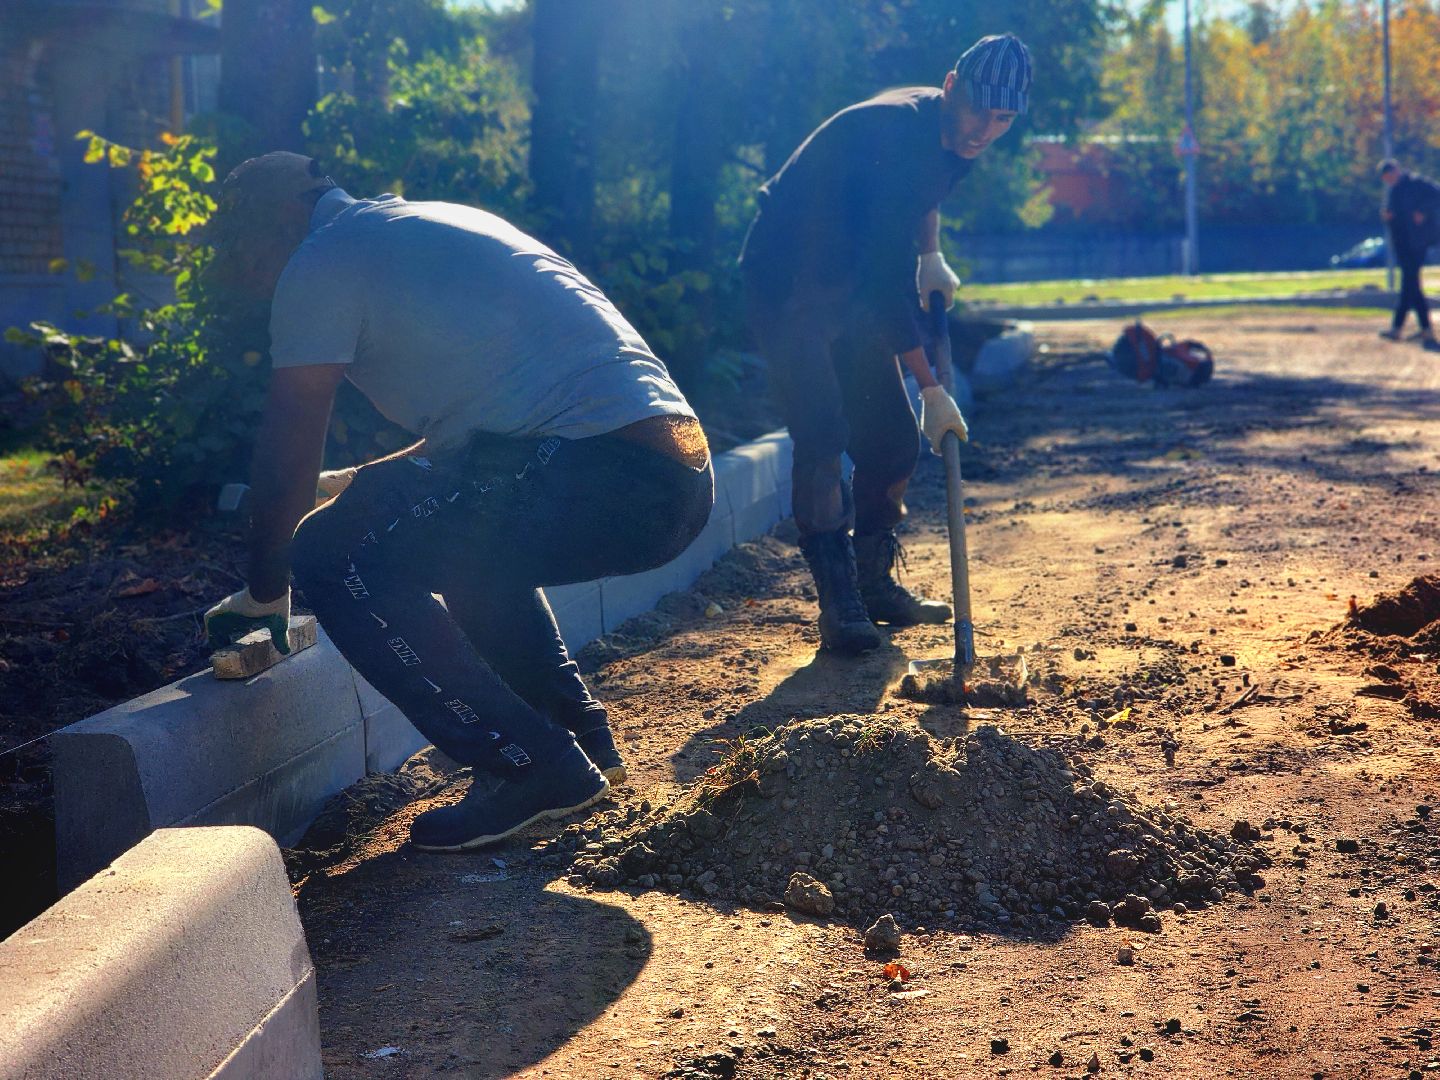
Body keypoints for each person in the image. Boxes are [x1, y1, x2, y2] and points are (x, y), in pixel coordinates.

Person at [202, 153, 713, 851]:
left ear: (285, 217)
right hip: (671, 479)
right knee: (455, 530)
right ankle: (576, 736)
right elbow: (487, 433)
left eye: (248, 246)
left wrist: (267, 594)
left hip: (600, 474)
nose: (252, 272)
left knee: (330, 551)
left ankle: (530, 765)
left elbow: (290, 438)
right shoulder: (427, 222)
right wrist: (360, 480)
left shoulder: (320, 259)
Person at [738, 34, 1032, 654]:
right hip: (788, 281)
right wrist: (931, 386)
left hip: (848, 280)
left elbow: (926, 199)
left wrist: (932, 252)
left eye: (1002, 119)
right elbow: (884, 289)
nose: (985, 129)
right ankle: (840, 601)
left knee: (893, 441)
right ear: (952, 86)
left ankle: (873, 583)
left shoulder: (954, 134)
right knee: (823, 432)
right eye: (979, 109)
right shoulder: (899, 137)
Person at [1379, 159, 1440, 350]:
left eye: (1390, 176)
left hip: (1418, 241)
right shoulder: (1394, 191)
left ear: (1397, 170)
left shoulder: (1417, 184)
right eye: (1386, 180)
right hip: (1402, 244)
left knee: (1409, 282)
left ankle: (1400, 327)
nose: (1390, 181)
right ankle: (1424, 329)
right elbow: (1395, 217)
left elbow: (1437, 196)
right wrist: (1388, 218)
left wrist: (1423, 211)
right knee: (1411, 285)